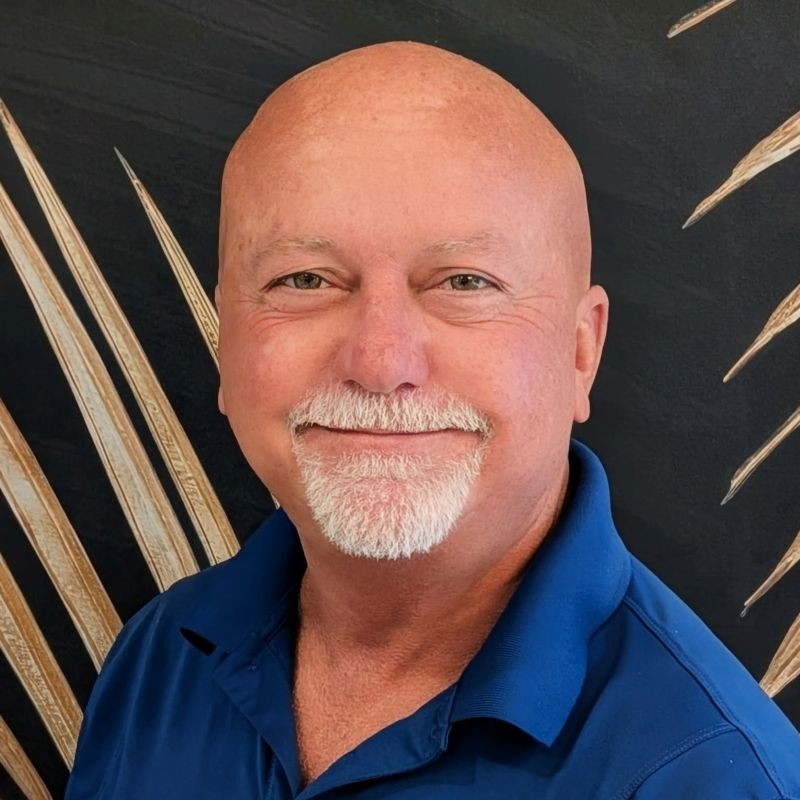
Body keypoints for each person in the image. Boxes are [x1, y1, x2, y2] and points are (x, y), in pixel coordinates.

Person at [65, 41, 800, 799]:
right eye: (305, 279)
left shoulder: (710, 776)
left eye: (465, 282)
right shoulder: (159, 658)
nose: (381, 362)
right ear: (227, 341)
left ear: (581, 352)